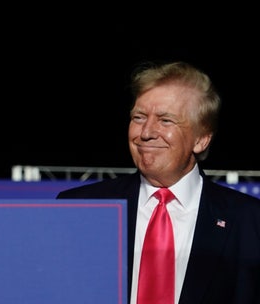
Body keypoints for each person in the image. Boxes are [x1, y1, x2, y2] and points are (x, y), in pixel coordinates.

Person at [57, 61, 260, 303]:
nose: (146, 132)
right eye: (139, 117)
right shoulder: (79, 209)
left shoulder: (250, 222)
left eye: (165, 120)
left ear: (201, 140)